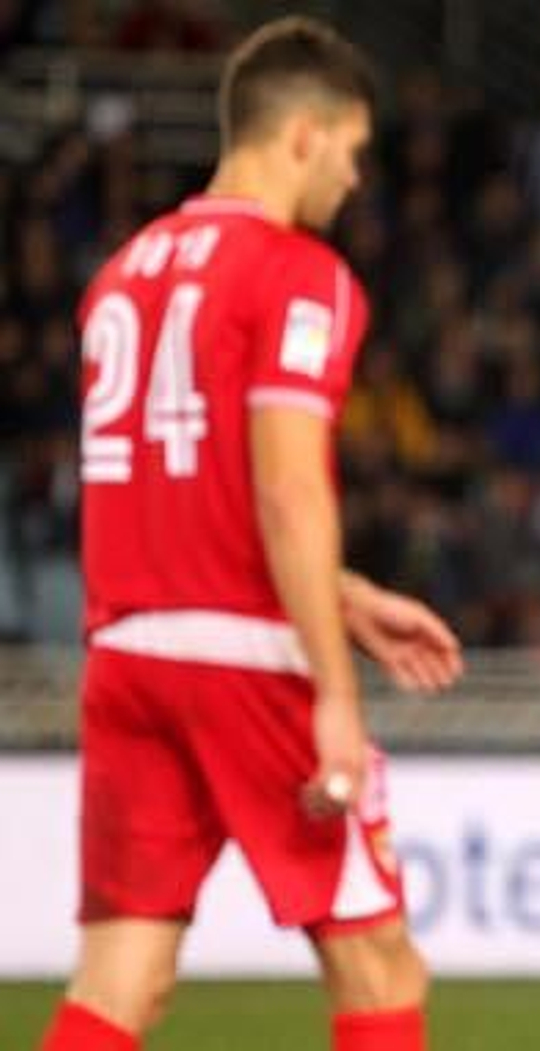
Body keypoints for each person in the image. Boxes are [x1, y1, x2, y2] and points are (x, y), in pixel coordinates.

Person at [39, 18, 463, 1051]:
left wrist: (348, 595)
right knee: (379, 961)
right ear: (305, 134)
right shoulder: (299, 275)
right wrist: (333, 688)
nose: (358, 182)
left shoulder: (121, 275)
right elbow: (284, 489)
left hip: (127, 653)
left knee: (122, 976)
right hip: (246, 660)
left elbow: (182, 491)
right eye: (356, 153)